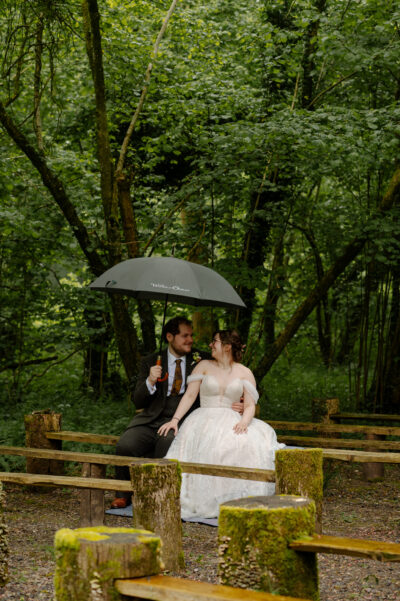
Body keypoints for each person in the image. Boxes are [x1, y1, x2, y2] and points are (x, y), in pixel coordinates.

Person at [110, 317, 243, 508]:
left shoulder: (204, 359)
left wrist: (240, 402)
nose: (190, 340)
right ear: (170, 336)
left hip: (183, 420)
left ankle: (154, 494)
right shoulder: (151, 361)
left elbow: (230, 378)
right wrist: (150, 381)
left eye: (191, 335)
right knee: (126, 445)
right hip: (151, 419)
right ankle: (122, 492)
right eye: (185, 336)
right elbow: (137, 400)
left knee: (167, 445)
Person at [158, 329, 285, 519]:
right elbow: (191, 395)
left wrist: (244, 421)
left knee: (239, 446)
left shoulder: (244, 372)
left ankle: (227, 496)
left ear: (227, 347)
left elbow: (250, 405)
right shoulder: (204, 366)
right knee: (209, 449)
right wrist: (175, 420)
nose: (210, 345)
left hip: (232, 418)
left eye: (214, 342)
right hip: (203, 419)